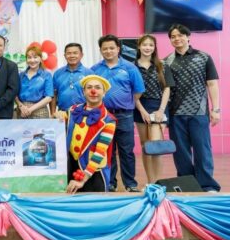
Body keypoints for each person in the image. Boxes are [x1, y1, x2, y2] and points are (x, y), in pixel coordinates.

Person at [164, 24, 221, 192]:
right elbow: (165, 90)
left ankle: (207, 185)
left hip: (199, 113)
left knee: (202, 150)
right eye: (173, 36)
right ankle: (187, 184)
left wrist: (216, 109)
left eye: (180, 35)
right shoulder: (166, 61)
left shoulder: (204, 57)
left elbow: (212, 84)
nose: (177, 39)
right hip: (175, 114)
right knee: (181, 153)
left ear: (188, 37)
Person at [91, 34, 145, 192]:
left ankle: (130, 184)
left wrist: (125, 102)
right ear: (101, 50)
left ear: (118, 49)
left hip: (125, 115)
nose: (108, 51)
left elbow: (138, 91)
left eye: (111, 48)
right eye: (105, 48)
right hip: (103, 116)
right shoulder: (95, 69)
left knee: (126, 151)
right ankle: (110, 182)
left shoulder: (130, 68)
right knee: (107, 150)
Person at [59, 75, 116, 194]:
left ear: (104, 93)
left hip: (93, 170)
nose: (93, 91)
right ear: (83, 92)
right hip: (71, 166)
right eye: (89, 87)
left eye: (97, 88)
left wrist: (84, 178)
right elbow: (59, 128)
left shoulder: (109, 120)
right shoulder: (72, 110)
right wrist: (58, 116)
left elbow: (100, 152)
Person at [134, 34, 174, 184]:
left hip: (159, 107)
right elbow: (132, 92)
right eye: (144, 44)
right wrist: (142, 111)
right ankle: (150, 182)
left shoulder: (162, 65)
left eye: (151, 45)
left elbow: (167, 89)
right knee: (145, 146)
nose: (147, 48)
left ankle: (157, 183)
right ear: (139, 46)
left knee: (156, 146)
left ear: (154, 47)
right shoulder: (132, 66)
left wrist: (161, 110)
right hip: (139, 106)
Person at [51, 43, 92, 115]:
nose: (72, 56)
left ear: (81, 55)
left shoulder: (89, 73)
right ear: (65, 56)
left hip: (84, 113)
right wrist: (53, 113)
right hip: (62, 113)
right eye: (69, 53)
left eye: (75, 53)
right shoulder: (58, 73)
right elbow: (54, 94)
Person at [15, 44, 53, 118]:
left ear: (40, 59)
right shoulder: (21, 75)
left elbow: (49, 97)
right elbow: (14, 94)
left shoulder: (46, 75)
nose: (32, 60)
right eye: (29, 57)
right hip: (22, 110)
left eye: (35, 57)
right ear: (26, 59)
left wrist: (30, 109)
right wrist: (21, 106)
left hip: (40, 111)